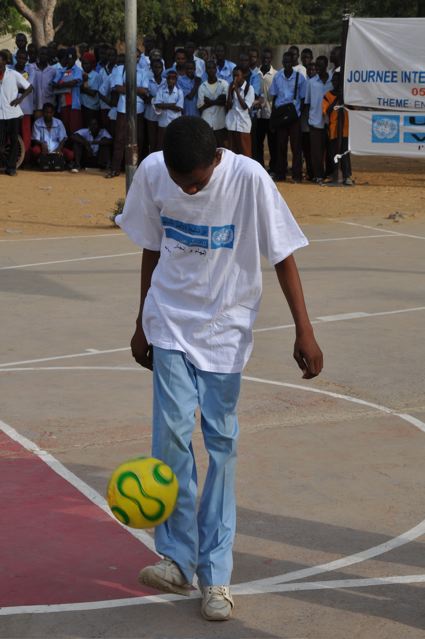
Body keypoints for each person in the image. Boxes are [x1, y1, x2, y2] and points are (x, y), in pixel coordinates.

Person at [115, 115, 323, 622]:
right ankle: (178, 559)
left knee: (221, 448)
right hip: (170, 321)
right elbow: (151, 247)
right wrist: (142, 320)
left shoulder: (249, 178)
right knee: (170, 440)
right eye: (180, 182)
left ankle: (217, 575)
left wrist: (305, 329)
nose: (188, 190)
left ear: (217, 158)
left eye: (196, 182)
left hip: (225, 331)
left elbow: (283, 254)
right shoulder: (154, 172)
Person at [106, 55, 147, 177]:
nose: (134, 58)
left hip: (138, 108)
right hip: (123, 107)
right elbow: (118, 88)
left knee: (138, 139)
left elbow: (145, 91)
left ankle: (136, 170)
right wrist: (136, 89)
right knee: (119, 138)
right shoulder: (120, 69)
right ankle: (115, 168)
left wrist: (126, 87)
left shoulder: (143, 71)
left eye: (137, 57)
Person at [269, 51, 306, 182]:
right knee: (281, 146)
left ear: (293, 62)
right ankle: (281, 174)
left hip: (294, 116)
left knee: (296, 147)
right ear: (282, 62)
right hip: (280, 115)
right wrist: (273, 118)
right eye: (285, 62)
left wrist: (298, 114)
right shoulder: (277, 77)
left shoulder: (300, 78)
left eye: (289, 61)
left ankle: (297, 175)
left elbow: (303, 99)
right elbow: (274, 97)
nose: (287, 64)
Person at [0, 50, 32, 176]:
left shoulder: (13, 74)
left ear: (5, 61)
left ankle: (11, 168)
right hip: (0, 114)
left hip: (13, 113)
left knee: (13, 141)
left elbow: (29, 87)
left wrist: (20, 99)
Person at [304, 55, 332, 184]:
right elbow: (307, 102)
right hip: (315, 122)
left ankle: (330, 174)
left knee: (330, 151)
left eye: (321, 65)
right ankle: (318, 175)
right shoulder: (311, 82)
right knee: (316, 152)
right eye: (317, 66)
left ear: (326, 65)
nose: (318, 68)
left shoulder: (332, 81)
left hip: (330, 122)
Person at [322, 72, 353, 186]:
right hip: (333, 129)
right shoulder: (328, 95)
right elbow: (326, 111)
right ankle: (335, 175)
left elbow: (353, 108)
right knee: (333, 153)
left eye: (338, 81)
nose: (335, 83)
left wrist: (343, 97)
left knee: (344, 153)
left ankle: (347, 176)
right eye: (334, 81)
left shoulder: (347, 95)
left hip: (345, 129)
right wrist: (337, 99)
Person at [31, 102, 74, 167]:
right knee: (35, 150)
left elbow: (64, 138)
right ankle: (38, 162)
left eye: (50, 112)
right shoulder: (37, 123)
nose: (48, 114)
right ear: (43, 112)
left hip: (57, 148)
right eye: (46, 112)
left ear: (53, 113)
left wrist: (59, 148)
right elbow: (35, 139)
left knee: (70, 155)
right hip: (43, 149)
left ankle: (63, 162)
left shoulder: (58, 122)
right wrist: (42, 144)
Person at [255, 47, 277, 173]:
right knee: (258, 143)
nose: (265, 60)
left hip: (271, 115)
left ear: (271, 59)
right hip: (258, 115)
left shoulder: (276, 75)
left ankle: (273, 168)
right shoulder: (255, 73)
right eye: (264, 58)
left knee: (273, 144)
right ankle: (260, 168)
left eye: (268, 58)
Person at [197, 59, 228, 147]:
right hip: (207, 122)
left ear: (216, 69)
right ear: (206, 70)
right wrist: (218, 101)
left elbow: (224, 101)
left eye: (213, 68)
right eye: (208, 68)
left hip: (220, 122)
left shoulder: (223, 84)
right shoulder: (202, 87)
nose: (211, 70)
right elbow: (200, 107)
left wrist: (209, 102)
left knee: (221, 147)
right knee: (208, 147)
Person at [52, 47, 83, 134]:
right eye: (68, 58)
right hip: (63, 103)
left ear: (75, 58)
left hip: (74, 104)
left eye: (72, 58)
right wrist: (64, 84)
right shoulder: (61, 71)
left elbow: (74, 82)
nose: (70, 60)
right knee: (65, 128)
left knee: (74, 128)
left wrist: (61, 85)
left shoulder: (77, 70)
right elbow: (54, 84)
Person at [225, 66, 255, 157]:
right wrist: (230, 91)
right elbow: (228, 106)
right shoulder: (230, 87)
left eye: (237, 75)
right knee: (232, 154)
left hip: (243, 125)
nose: (235, 78)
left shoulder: (249, 88)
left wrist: (237, 92)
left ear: (243, 75)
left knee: (245, 154)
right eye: (233, 75)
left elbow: (245, 106)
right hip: (231, 124)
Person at [152, 69, 183, 150]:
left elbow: (179, 108)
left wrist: (164, 105)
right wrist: (172, 105)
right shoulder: (161, 90)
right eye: (169, 78)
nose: (170, 80)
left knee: (173, 144)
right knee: (161, 144)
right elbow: (157, 105)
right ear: (166, 79)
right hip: (163, 122)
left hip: (174, 122)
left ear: (176, 80)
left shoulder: (179, 92)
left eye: (173, 78)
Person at [13, 49, 35, 157]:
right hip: (12, 107)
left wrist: (15, 88)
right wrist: (22, 87)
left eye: (24, 58)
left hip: (26, 107)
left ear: (27, 60)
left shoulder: (31, 70)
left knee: (26, 133)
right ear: (16, 58)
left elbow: (29, 87)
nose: (22, 60)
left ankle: (26, 157)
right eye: (20, 58)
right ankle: (13, 156)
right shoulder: (10, 69)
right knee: (13, 132)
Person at [143, 58, 164, 154]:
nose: (157, 69)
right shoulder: (147, 81)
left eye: (159, 67)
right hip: (150, 115)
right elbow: (145, 98)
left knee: (161, 141)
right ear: (151, 68)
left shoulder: (166, 82)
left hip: (163, 116)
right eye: (155, 67)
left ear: (162, 68)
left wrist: (153, 98)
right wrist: (157, 99)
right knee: (152, 141)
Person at [300, 61, 316, 181]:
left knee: (315, 151)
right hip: (305, 122)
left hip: (316, 122)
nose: (311, 72)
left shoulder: (318, 83)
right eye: (309, 70)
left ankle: (315, 173)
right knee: (306, 150)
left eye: (313, 70)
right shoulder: (305, 83)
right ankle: (309, 173)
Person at [33, 46, 57, 119]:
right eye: (42, 54)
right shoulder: (32, 68)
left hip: (49, 105)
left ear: (48, 56)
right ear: (38, 55)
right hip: (36, 104)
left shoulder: (53, 71)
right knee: (37, 124)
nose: (43, 56)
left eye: (45, 54)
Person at [80, 53, 101, 126]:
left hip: (91, 108)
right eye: (83, 63)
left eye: (87, 63)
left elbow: (93, 93)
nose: (84, 65)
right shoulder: (81, 74)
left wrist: (82, 87)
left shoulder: (96, 76)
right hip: (82, 106)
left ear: (92, 64)